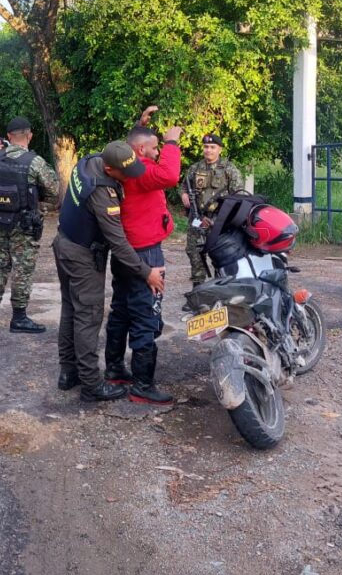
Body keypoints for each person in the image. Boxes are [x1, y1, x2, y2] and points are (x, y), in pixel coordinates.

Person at [53, 141, 166, 402]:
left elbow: (122, 151)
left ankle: (68, 372)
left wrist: (140, 128)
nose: (130, 178)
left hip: (64, 242)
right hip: (82, 255)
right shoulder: (102, 193)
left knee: (71, 309)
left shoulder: (90, 160)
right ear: (109, 169)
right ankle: (92, 385)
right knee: (88, 316)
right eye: (125, 174)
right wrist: (145, 272)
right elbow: (118, 242)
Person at [104, 120, 183, 405]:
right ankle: (142, 385)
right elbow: (171, 175)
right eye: (153, 147)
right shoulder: (143, 172)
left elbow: (128, 143)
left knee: (121, 311)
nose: (157, 150)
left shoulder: (124, 166)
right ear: (139, 149)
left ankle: (114, 370)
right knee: (146, 316)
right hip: (146, 254)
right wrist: (172, 142)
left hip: (125, 252)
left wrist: (140, 124)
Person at [0, 118, 59, 333]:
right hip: (24, 224)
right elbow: (53, 191)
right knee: (22, 270)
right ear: (29, 135)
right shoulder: (35, 162)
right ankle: (19, 318)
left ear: (8, 137)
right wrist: (39, 209)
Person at [182, 134, 243, 285]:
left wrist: (222, 218)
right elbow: (184, 186)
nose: (208, 150)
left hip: (219, 222)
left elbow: (238, 196)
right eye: (206, 147)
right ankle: (199, 289)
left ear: (219, 149)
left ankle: (221, 287)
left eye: (212, 147)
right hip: (197, 219)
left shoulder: (229, 170)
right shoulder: (195, 168)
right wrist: (183, 195)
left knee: (221, 254)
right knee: (193, 252)